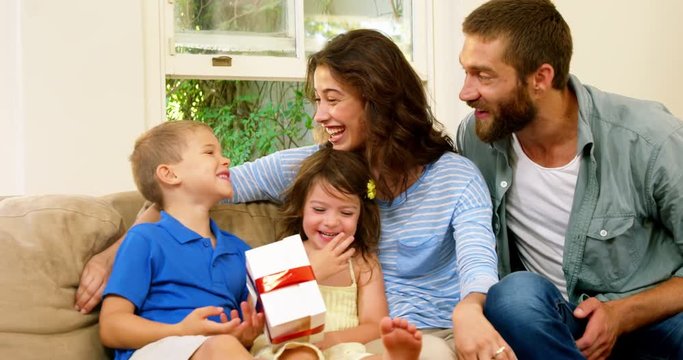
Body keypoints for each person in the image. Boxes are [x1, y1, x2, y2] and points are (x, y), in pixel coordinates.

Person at [78, 29, 509, 359]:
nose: (320, 116)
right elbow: (191, 190)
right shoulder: (313, 166)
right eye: (317, 100)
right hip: (349, 341)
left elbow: (477, 261)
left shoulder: (455, 177)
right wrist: (111, 253)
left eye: (333, 100)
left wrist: (470, 309)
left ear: (376, 99)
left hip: (429, 333)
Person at [455, 0, 683, 359]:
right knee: (512, 296)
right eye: (466, 72)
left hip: (652, 320)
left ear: (540, 78)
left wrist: (623, 313)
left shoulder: (649, 139)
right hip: (558, 329)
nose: (466, 92)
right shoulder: (479, 137)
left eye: (484, 76)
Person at [99, 120, 264, 360]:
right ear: (170, 173)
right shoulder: (145, 239)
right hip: (157, 348)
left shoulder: (239, 251)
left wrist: (246, 335)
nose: (226, 159)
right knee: (222, 348)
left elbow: (243, 325)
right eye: (210, 152)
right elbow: (111, 327)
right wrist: (180, 330)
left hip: (219, 349)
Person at [250, 146, 422, 360]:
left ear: (361, 214)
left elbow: (375, 324)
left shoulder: (363, 263)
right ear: (301, 207)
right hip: (289, 348)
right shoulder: (285, 252)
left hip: (343, 350)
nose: (331, 222)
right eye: (319, 210)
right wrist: (311, 274)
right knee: (303, 356)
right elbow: (260, 309)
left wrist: (333, 340)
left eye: (346, 212)